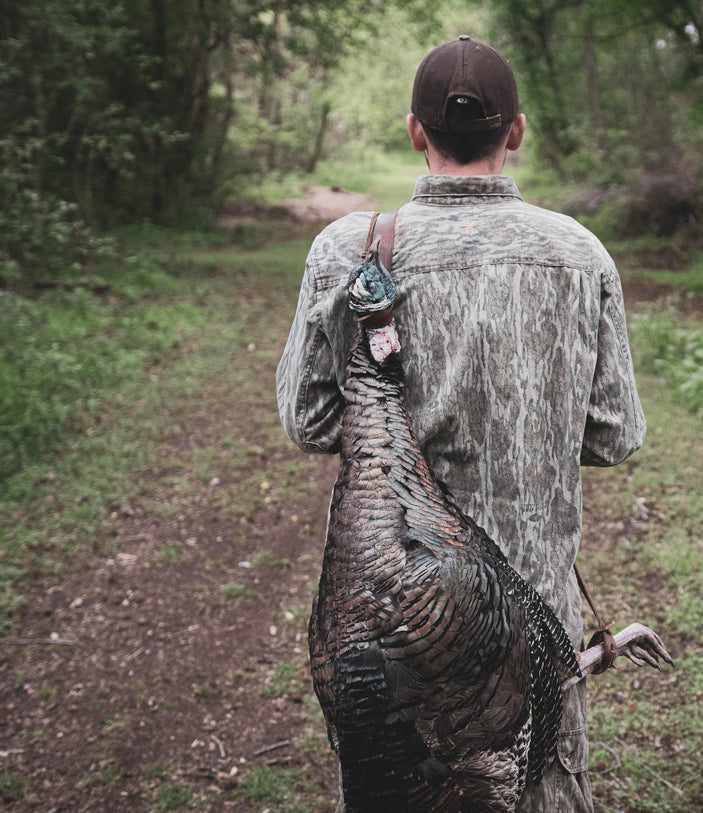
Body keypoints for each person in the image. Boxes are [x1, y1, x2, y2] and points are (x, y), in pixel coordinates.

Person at [275, 35, 646, 812]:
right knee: (537, 783)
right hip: (535, 625)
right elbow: (615, 434)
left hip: (391, 627)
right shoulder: (578, 254)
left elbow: (309, 421)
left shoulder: (347, 250)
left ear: (416, 130)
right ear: (515, 132)